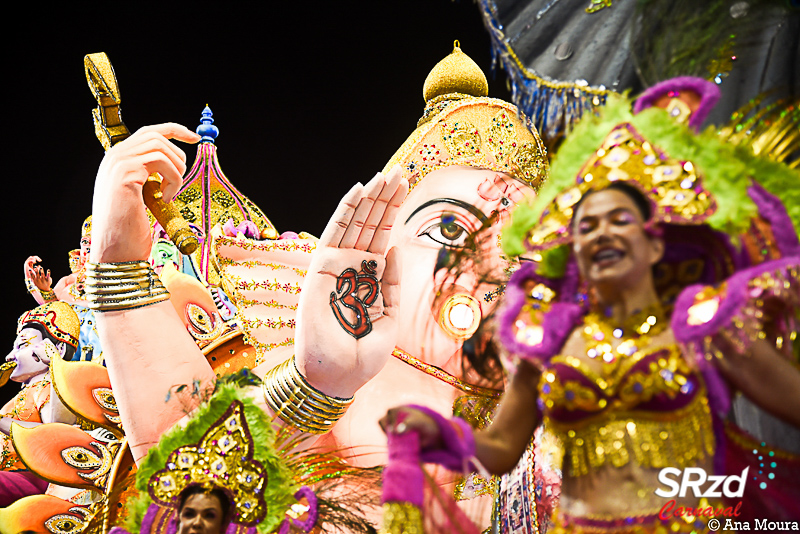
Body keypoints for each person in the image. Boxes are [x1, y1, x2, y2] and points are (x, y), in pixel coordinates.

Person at [84, 42, 548, 528]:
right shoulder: (326, 393)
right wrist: (314, 388)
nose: (495, 266)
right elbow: (181, 499)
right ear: (382, 251)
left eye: (524, 244)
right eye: (450, 231)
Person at [381, 87, 800, 531]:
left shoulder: (703, 324)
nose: (602, 234)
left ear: (655, 242)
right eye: (587, 226)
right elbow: (501, 447)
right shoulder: (545, 343)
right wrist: (439, 435)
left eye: (619, 220)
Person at [0, 301, 80, 506]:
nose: (11, 356)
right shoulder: (25, 392)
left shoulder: (48, 386)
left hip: (31, 476)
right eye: (13, 347)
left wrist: (55, 364)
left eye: (22, 345)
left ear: (58, 348)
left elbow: (57, 432)